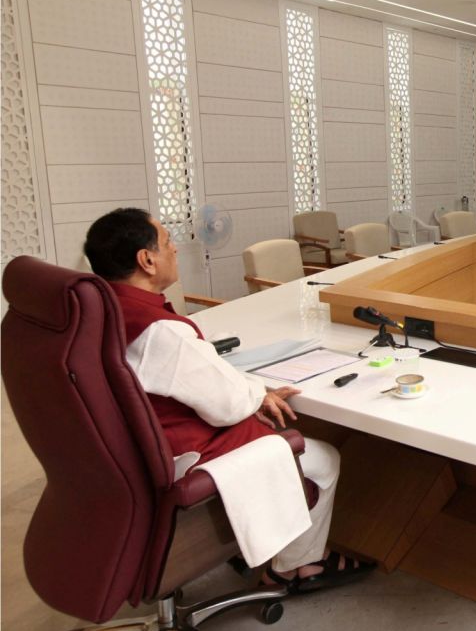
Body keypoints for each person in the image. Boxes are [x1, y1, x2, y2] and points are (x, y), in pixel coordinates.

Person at [83, 208, 373, 593]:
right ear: (146, 260)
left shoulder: (95, 313)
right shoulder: (160, 332)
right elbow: (229, 406)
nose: (175, 251)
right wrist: (260, 393)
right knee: (322, 459)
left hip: (128, 456)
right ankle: (299, 566)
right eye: (169, 244)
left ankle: (269, 543)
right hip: (182, 460)